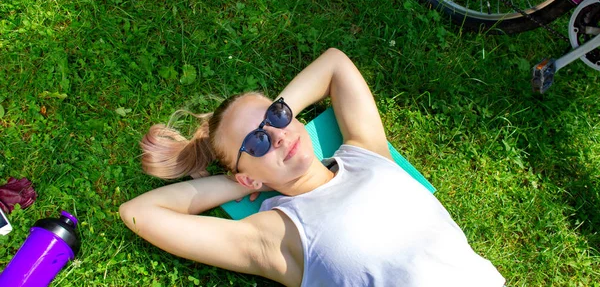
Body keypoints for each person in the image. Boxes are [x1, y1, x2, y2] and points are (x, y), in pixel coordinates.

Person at [119, 48, 505, 286]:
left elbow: (335, 64)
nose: (279, 135)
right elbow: (139, 213)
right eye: (258, 141)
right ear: (248, 174)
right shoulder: (275, 235)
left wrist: (273, 122)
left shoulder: (366, 154)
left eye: (278, 115)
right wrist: (240, 184)